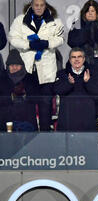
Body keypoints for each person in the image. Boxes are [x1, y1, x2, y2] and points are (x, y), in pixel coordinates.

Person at [8, 0, 64, 131]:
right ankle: (30, 137)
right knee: (29, 106)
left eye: (42, 5)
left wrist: (47, 43)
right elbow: (12, 38)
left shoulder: (55, 21)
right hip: (28, 71)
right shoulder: (20, 20)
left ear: (46, 6)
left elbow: (61, 39)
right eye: (36, 5)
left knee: (46, 104)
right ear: (31, 6)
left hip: (46, 71)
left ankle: (45, 137)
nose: (39, 8)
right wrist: (29, 44)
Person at [68, 0, 98, 121]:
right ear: (84, 13)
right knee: (85, 98)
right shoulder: (78, 24)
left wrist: (97, 32)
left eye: (93, 11)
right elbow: (72, 42)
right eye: (88, 11)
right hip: (84, 65)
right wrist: (87, 29)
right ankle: (85, 128)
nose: (90, 13)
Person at [53, 48, 98, 131]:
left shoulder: (94, 73)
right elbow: (57, 90)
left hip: (87, 118)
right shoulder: (62, 74)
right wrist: (69, 83)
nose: (76, 59)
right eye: (73, 57)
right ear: (69, 59)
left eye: (79, 57)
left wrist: (88, 81)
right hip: (68, 119)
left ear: (84, 59)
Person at [0, 49, 40, 132]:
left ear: (22, 65)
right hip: (6, 120)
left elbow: (36, 98)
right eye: (11, 65)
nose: (14, 67)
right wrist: (11, 96)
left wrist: (24, 94)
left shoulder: (30, 78)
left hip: (27, 120)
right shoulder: (2, 79)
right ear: (7, 66)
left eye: (17, 65)